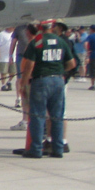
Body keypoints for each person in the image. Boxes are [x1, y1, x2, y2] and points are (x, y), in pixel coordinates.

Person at [19, 20, 76, 159]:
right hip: (58, 80)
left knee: (38, 116)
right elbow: (72, 64)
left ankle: (36, 149)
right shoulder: (61, 41)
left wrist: (24, 83)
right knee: (57, 116)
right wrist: (60, 70)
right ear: (52, 27)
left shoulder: (37, 42)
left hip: (41, 80)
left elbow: (29, 65)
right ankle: (57, 149)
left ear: (39, 27)